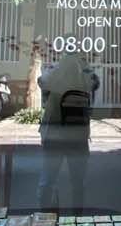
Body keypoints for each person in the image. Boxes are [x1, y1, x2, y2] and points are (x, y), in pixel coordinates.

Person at [36, 52, 99, 213]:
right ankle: (77, 216)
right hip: (78, 136)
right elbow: (95, 82)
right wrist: (84, 66)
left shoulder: (55, 76)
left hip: (54, 136)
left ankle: (44, 215)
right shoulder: (84, 78)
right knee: (78, 182)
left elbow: (41, 81)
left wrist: (56, 67)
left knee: (48, 180)